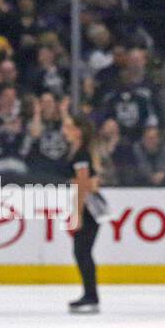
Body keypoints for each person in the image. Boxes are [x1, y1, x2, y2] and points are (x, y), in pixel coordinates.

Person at [63, 111, 106, 314]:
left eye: (69, 127)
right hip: (87, 206)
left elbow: (82, 184)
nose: (65, 131)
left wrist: (77, 214)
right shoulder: (81, 151)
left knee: (82, 251)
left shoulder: (81, 154)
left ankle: (91, 295)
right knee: (82, 251)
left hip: (88, 208)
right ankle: (90, 294)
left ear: (78, 131)